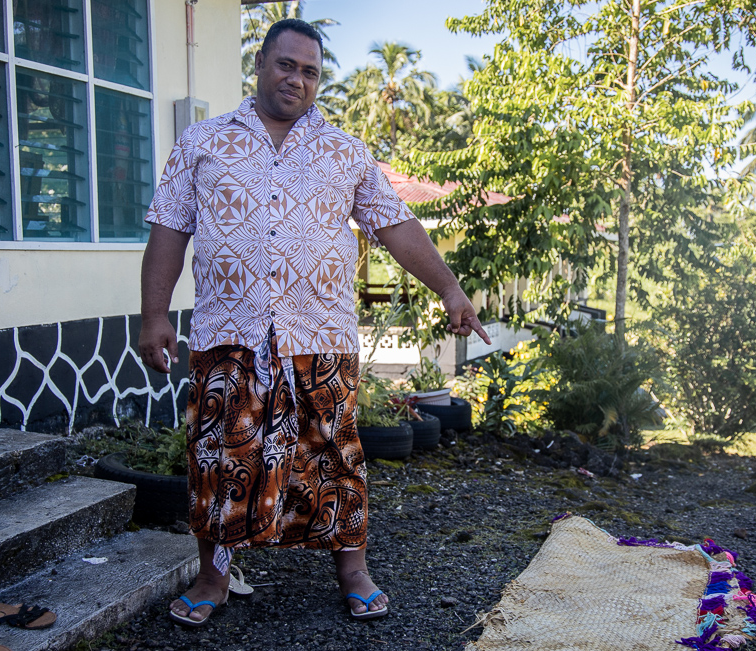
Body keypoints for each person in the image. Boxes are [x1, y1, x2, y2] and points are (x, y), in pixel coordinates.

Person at [137, 18, 491, 626]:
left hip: (318, 335)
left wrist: (451, 289)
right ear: (259, 64)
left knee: (333, 457)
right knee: (218, 457)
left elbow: (396, 226)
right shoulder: (202, 142)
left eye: (310, 72)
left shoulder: (345, 151)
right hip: (229, 331)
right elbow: (169, 228)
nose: (296, 80)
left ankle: (353, 571)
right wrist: (154, 315)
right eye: (286, 65)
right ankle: (213, 575)